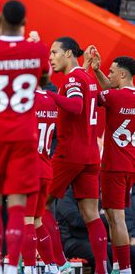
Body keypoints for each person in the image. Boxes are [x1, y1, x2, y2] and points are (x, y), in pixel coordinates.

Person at [0, 0, 49, 274]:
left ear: (0, 18)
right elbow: (45, 80)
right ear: (24, 22)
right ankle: (13, 266)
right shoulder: (38, 50)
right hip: (24, 136)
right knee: (18, 205)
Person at [45, 36, 107, 274]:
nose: (51, 57)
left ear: (69, 53)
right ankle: (102, 269)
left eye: (54, 52)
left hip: (70, 153)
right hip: (91, 155)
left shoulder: (72, 79)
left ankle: (59, 263)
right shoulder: (86, 77)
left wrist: (49, 95)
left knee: (40, 206)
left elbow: (76, 106)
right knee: (91, 215)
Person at [90, 54, 135, 273]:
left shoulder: (114, 97)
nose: (108, 75)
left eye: (111, 71)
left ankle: (124, 269)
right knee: (112, 216)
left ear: (123, 74)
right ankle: (118, 264)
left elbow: (94, 97)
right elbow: (111, 90)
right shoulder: (126, 96)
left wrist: (88, 69)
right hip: (129, 165)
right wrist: (99, 72)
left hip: (113, 165)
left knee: (116, 219)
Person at [21, 88, 59, 274]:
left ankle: (28, 268)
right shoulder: (50, 100)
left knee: (25, 221)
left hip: (27, 170)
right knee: (37, 221)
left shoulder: (24, 100)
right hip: (45, 168)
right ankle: (52, 266)